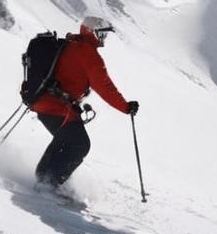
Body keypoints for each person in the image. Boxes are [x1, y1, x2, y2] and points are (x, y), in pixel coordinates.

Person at [30, 15, 138, 188]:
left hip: (47, 102)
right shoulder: (88, 54)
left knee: (66, 140)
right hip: (56, 108)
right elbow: (105, 87)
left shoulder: (73, 44)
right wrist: (125, 107)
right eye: (102, 34)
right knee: (80, 144)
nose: (104, 39)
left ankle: (43, 179)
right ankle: (48, 185)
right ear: (93, 32)